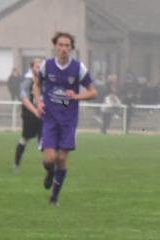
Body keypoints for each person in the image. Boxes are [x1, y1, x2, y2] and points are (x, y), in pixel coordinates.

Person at [34, 31, 97, 205]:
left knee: (61, 159)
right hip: (50, 119)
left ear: (71, 48)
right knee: (50, 159)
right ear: (55, 46)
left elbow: (93, 92)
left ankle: (54, 197)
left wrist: (76, 96)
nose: (63, 48)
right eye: (60, 45)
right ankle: (49, 172)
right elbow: (37, 85)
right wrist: (39, 102)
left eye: (67, 45)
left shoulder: (78, 68)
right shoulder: (46, 66)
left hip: (68, 121)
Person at [13, 58, 43, 171]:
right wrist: (35, 111)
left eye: (41, 66)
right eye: (37, 66)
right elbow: (23, 98)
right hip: (29, 115)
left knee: (44, 140)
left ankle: (49, 167)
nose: (40, 68)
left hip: (42, 114)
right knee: (25, 139)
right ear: (32, 67)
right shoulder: (27, 80)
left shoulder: (44, 80)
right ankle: (16, 164)